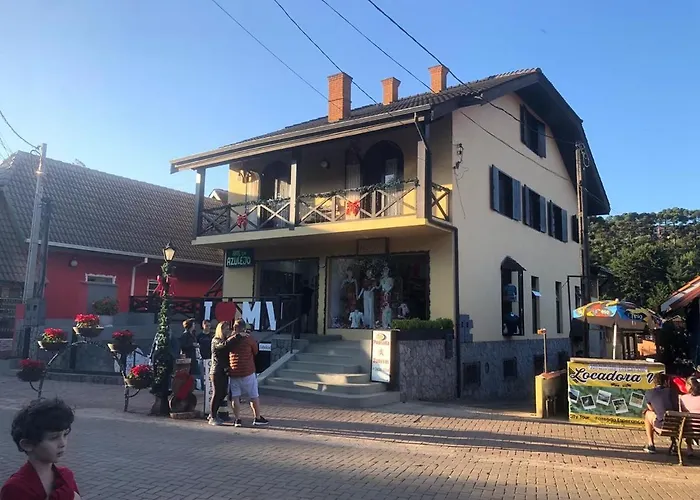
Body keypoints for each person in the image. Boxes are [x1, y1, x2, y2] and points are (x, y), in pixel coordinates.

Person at [1, 398, 81, 499]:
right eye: (53, 438)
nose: (63, 443)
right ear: (27, 444)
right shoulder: (15, 488)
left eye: (65, 434)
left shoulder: (66, 477)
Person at [228, 319, 268, 427]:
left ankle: (237, 419)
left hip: (234, 370)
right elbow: (255, 351)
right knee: (253, 395)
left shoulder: (230, 339)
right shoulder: (248, 338)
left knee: (235, 396)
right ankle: (257, 418)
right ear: (244, 327)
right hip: (247, 370)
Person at [208, 321, 241, 426]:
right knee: (217, 393)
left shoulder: (225, 340)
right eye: (225, 329)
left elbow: (230, 347)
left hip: (223, 371)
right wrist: (236, 336)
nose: (227, 331)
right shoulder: (216, 340)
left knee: (222, 393)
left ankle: (213, 413)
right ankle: (212, 416)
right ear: (220, 330)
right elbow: (224, 346)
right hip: (217, 370)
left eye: (228, 329)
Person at [643, 372, 675, 453]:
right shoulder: (672, 392)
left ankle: (651, 444)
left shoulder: (649, 392)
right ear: (666, 382)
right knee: (673, 416)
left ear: (654, 382)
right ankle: (674, 445)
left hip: (661, 427)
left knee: (647, 413)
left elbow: (651, 409)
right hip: (677, 427)